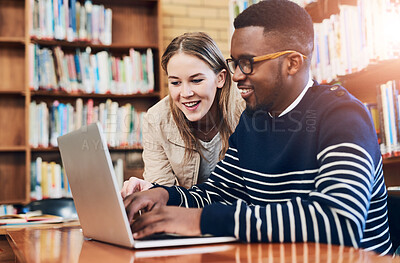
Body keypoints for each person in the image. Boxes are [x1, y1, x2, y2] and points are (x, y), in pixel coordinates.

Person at [123, 0, 393, 256]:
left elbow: (338, 223)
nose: (237, 75)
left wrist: (202, 221)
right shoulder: (253, 120)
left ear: (292, 63)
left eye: (248, 63)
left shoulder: (343, 116)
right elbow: (217, 193)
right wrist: (163, 195)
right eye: (234, 62)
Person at [121, 32, 244, 197]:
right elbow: (162, 195)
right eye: (175, 82)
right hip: (189, 215)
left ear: (220, 78)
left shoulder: (246, 108)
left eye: (196, 80)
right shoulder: (156, 119)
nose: (185, 93)